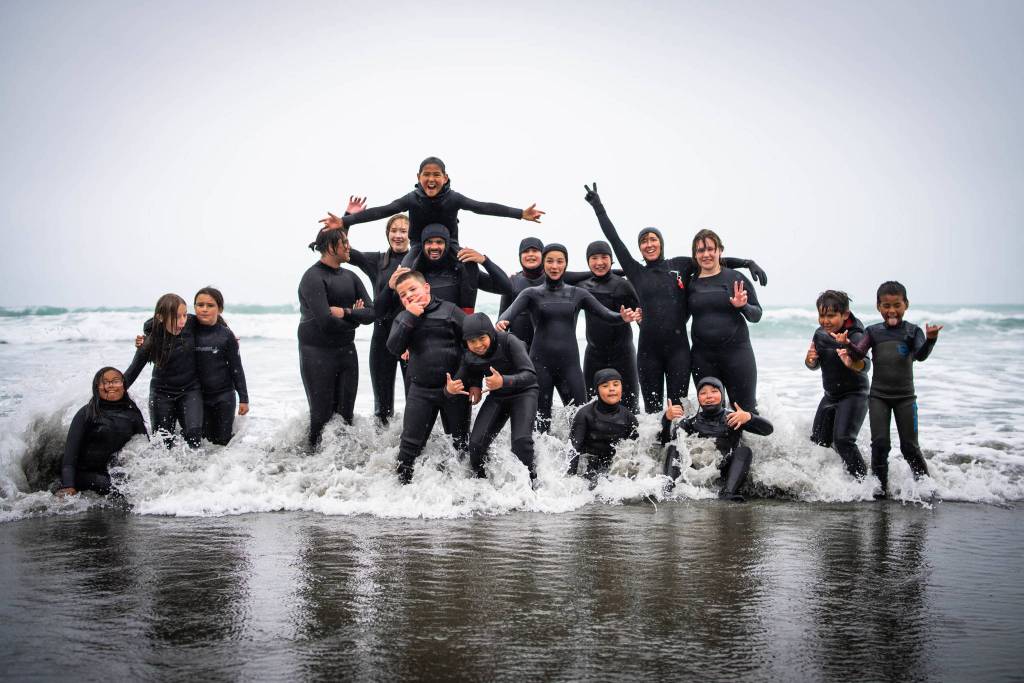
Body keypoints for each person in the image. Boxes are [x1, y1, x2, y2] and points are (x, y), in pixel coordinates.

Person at [583, 183, 766, 412]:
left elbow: (710, 259)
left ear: (661, 242)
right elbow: (615, 240)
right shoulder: (636, 272)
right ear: (640, 248)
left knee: (678, 408)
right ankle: (654, 448)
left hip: (679, 351)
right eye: (644, 241)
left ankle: (676, 448)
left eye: (653, 239)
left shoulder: (680, 265)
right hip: (648, 352)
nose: (649, 244)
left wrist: (746, 263)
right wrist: (598, 208)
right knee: (652, 410)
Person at [497, 243, 642, 432]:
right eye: (550, 261)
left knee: (581, 418)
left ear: (565, 264)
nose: (554, 266)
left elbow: (606, 314)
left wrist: (621, 317)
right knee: (541, 422)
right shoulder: (530, 294)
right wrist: (501, 323)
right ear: (544, 264)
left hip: (570, 367)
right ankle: (543, 461)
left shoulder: (578, 293)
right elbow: (507, 315)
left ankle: (578, 460)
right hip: (540, 365)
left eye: (559, 261)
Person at [320, 156, 544, 267]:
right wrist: (345, 220)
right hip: (418, 245)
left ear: (445, 178)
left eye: (436, 174)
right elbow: (383, 211)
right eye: (426, 174)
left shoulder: (453, 198)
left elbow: (483, 207)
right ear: (418, 177)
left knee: (467, 269)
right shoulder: (412, 199)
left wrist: (520, 213)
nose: (431, 179)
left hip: (451, 244)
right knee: (402, 274)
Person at [847, 281, 942, 498]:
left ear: (906, 305)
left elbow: (920, 355)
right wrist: (846, 345)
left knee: (909, 446)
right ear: (878, 307)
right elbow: (858, 354)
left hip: (905, 398)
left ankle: (927, 489)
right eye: (886, 305)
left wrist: (931, 340)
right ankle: (880, 490)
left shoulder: (912, 331)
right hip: (879, 397)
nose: (891, 310)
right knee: (880, 444)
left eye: (897, 305)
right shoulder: (873, 331)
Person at [387, 270, 469, 484]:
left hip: (454, 389)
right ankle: (398, 496)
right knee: (408, 448)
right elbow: (394, 348)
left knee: (460, 446)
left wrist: (466, 381)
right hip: (420, 391)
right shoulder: (404, 317)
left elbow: (473, 346)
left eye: (413, 290)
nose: (409, 296)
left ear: (426, 288)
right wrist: (410, 316)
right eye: (403, 295)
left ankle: (465, 494)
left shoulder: (450, 311)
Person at [298, 228, 376, 446]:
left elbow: (371, 312)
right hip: (316, 353)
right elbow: (326, 322)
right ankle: (310, 466)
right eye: (345, 243)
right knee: (321, 416)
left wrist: (347, 313)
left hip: (346, 353)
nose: (349, 247)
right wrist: (355, 318)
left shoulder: (351, 276)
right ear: (331, 247)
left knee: (345, 418)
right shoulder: (313, 277)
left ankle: (340, 470)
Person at [446, 313, 539, 483]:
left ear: (491, 333)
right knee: (475, 445)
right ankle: (483, 486)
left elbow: (531, 376)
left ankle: (532, 484)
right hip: (499, 396)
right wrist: (452, 389)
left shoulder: (509, 341)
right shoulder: (469, 354)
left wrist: (503, 380)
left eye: (482, 338)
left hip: (524, 393)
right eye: (472, 341)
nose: (478, 345)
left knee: (520, 442)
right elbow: (468, 372)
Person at [661, 377, 773, 502]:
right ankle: (668, 489)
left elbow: (768, 430)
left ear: (722, 395)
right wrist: (667, 419)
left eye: (714, 391)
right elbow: (665, 442)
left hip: (725, 470)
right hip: (698, 472)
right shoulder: (690, 422)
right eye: (703, 393)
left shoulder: (733, 417)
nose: (709, 396)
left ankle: (728, 493)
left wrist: (749, 417)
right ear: (698, 398)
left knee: (744, 451)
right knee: (674, 446)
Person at [688, 229, 763, 413]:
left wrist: (743, 306)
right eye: (700, 250)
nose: (706, 254)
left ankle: (753, 443)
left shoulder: (735, 278)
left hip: (737, 355)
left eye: (710, 249)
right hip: (702, 357)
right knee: (710, 412)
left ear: (720, 250)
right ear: (695, 255)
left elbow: (757, 315)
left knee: (745, 411)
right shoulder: (690, 283)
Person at [348, 212, 411, 425]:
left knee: (415, 400)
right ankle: (381, 454)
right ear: (387, 234)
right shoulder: (377, 261)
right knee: (382, 408)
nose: (398, 235)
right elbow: (346, 251)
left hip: (410, 339)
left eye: (403, 230)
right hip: (382, 337)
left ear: (411, 234)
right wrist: (347, 219)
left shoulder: (419, 259)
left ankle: (411, 451)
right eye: (394, 230)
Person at [378, 223, 515, 313]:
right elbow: (379, 312)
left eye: (439, 242)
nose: (434, 247)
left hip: (454, 342)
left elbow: (507, 288)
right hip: (423, 343)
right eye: (429, 242)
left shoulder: (463, 273)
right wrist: (389, 287)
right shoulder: (414, 276)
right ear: (423, 245)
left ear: (447, 244)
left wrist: (485, 261)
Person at [124, 293, 203, 448]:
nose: (182, 321)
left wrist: (229, 332)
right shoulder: (150, 341)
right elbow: (131, 373)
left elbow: (212, 324)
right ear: (160, 318)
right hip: (161, 393)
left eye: (184, 315)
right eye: (176, 317)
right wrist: (104, 399)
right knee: (162, 443)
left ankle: (195, 472)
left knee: (194, 437)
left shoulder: (191, 323)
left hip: (190, 390)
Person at [805, 290, 870, 478]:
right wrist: (810, 361)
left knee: (843, 441)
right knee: (818, 441)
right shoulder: (820, 335)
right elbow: (813, 364)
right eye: (822, 315)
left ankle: (864, 485)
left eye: (831, 316)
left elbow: (866, 365)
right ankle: (833, 485)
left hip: (855, 395)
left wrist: (851, 357)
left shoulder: (856, 336)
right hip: (830, 396)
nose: (825, 320)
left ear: (845, 315)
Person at [56, 367, 147, 496]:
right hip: (83, 474)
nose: (111, 386)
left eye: (116, 381)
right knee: (111, 487)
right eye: (105, 382)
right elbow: (70, 456)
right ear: (96, 387)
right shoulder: (86, 413)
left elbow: (144, 448)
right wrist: (68, 486)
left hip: (113, 472)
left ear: (123, 385)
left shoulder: (133, 415)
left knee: (130, 487)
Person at [576, 240, 642, 414]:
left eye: (604, 257)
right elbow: (557, 277)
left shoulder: (623, 285)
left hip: (623, 354)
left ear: (611, 259)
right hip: (594, 354)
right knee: (590, 405)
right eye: (594, 258)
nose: (599, 263)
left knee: (630, 407)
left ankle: (634, 441)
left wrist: (640, 320)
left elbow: (642, 316)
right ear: (588, 261)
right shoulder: (582, 286)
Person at [191, 287, 249, 445]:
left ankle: (222, 470)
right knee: (201, 443)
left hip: (224, 396)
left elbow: (236, 367)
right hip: (197, 397)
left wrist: (243, 398)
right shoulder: (188, 330)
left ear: (220, 309)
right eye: (200, 305)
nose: (204, 309)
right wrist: (144, 339)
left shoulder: (226, 335)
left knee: (223, 442)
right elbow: (157, 323)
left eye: (210, 305)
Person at [568, 368, 639, 483]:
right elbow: (573, 450)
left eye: (616, 385)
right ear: (597, 390)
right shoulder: (585, 414)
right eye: (605, 386)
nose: (612, 389)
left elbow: (639, 449)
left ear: (621, 388)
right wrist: (570, 482)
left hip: (616, 471)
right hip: (590, 470)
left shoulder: (628, 417)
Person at [499, 237, 545, 349]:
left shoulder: (554, 281)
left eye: (535, 250)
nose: (530, 254)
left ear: (543, 255)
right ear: (520, 256)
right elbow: (501, 322)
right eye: (525, 251)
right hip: (519, 349)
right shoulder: (512, 282)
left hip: (547, 348)